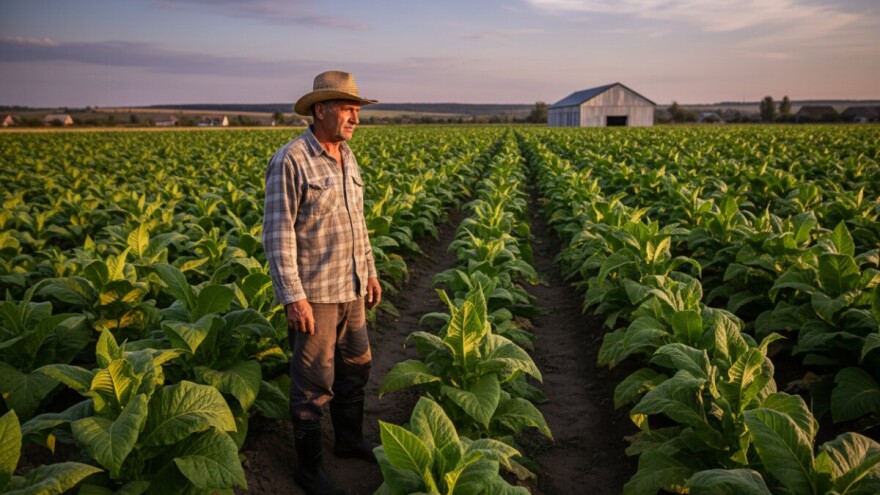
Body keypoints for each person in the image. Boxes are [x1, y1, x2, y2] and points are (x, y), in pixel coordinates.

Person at [263, 70, 382, 495]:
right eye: (348, 109)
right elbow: (277, 235)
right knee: (314, 383)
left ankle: (348, 441)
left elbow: (358, 222)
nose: (355, 117)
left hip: (350, 287)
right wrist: (294, 298)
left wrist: (368, 269)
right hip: (315, 295)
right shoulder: (292, 159)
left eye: (357, 109)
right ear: (320, 110)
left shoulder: (347, 156)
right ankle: (309, 472)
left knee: (356, 367)